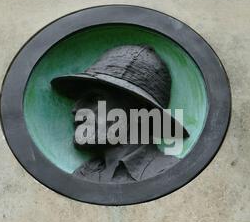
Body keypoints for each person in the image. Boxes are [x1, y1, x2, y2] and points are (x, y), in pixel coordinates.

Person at [51, 45, 189, 183]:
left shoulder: (173, 173)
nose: (75, 108)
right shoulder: (84, 175)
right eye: (77, 100)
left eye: (95, 99)